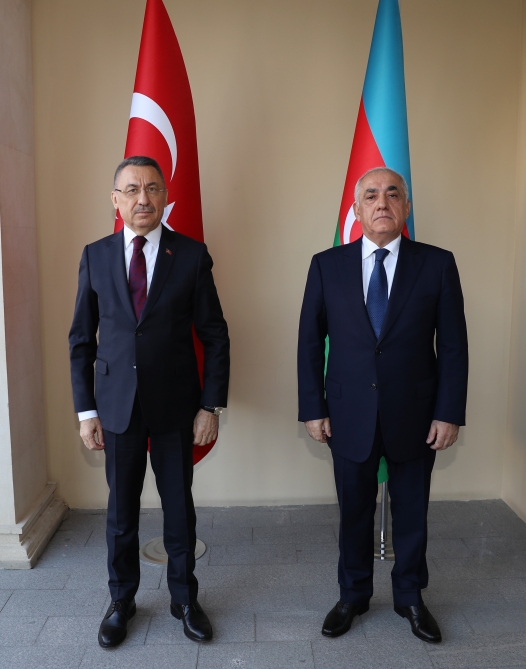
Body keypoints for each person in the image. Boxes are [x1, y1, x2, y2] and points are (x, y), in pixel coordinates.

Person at [297, 167, 468, 643]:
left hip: (416, 414)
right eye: (370, 195)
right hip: (347, 414)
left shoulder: (437, 264)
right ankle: (352, 596)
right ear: (356, 210)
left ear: (406, 207)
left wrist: (449, 412)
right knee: (354, 511)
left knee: (411, 512)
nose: (382, 202)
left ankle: (410, 596)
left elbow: (453, 346)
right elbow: (309, 342)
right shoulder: (326, 265)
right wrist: (313, 407)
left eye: (393, 194)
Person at [69, 155, 229, 648]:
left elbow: (215, 336)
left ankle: (185, 599)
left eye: (153, 188)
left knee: (179, 509)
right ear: (115, 200)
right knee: (121, 514)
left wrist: (210, 406)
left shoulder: (192, 255)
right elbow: (81, 340)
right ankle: (122, 601)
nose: (144, 198)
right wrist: (86, 411)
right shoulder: (95, 255)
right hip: (116, 407)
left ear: (165, 195)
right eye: (132, 189)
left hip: (177, 407)